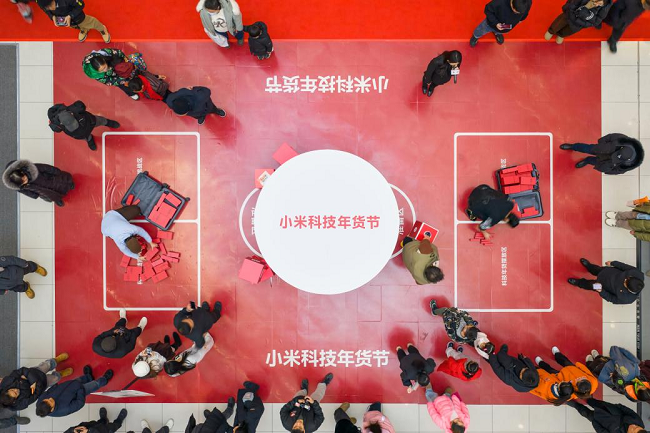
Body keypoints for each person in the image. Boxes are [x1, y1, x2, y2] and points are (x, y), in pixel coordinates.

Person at [0, 354, 71, 411]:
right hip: (42, 383)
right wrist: (26, 378)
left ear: (7, 390)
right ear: (14, 400)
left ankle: (57, 360)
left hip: (35, 372)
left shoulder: (5, 383)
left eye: (12, 390)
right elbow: (36, 395)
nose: (16, 390)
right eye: (16, 393)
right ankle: (61, 374)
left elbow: (22, 370)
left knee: (47, 365)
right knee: (55, 379)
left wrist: (34, 383)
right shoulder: (20, 404)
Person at [35, 365, 113, 417]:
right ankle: (104, 379)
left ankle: (88, 377)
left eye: (47, 400)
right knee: (95, 384)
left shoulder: (40, 403)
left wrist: (56, 386)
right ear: (52, 409)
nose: (50, 398)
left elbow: (47, 392)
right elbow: (80, 403)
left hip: (69, 385)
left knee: (79, 379)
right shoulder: (64, 410)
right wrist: (80, 389)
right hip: (80, 390)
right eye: (51, 402)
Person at [47, 100, 120, 151]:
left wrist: (70, 108)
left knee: (101, 121)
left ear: (71, 114)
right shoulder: (56, 124)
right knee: (86, 137)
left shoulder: (73, 109)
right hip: (81, 135)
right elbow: (55, 129)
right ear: (61, 123)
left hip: (90, 122)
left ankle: (109, 123)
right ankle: (90, 140)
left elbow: (81, 106)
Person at [568, 258, 644, 304]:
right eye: (628, 278)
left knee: (590, 285)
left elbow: (611, 298)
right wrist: (613, 263)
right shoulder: (638, 274)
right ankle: (589, 266)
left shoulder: (627, 299)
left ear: (628, 289)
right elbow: (624, 266)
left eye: (625, 282)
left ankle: (578, 283)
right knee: (596, 269)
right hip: (607, 272)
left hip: (602, 286)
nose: (625, 279)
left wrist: (601, 291)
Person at [3, 159, 74, 207]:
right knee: (51, 195)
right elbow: (26, 192)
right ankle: (57, 199)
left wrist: (56, 171)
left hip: (50, 179)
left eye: (24, 178)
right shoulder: (20, 186)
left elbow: (46, 168)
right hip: (41, 191)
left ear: (22, 172)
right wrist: (33, 195)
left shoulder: (32, 168)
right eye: (23, 182)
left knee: (60, 183)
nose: (25, 181)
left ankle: (69, 184)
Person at [560, 134, 644, 173]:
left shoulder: (629, 165)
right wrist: (602, 142)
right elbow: (611, 137)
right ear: (622, 147)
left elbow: (617, 171)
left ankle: (587, 160)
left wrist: (607, 170)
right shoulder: (624, 140)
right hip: (602, 149)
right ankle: (573, 146)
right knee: (586, 148)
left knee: (593, 161)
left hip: (606, 162)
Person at [35, 0, 109, 43]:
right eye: (48, 7)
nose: (51, 8)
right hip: (67, 21)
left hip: (77, 16)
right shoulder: (40, 2)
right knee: (76, 26)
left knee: (91, 22)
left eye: (51, 4)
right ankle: (84, 29)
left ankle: (102, 29)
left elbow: (81, 4)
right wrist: (52, 16)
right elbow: (45, 10)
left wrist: (70, 16)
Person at [545, 0, 613, 44]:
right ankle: (551, 31)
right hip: (569, 14)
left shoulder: (605, 8)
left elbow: (596, 21)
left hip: (579, 24)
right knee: (558, 23)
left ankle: (561, 35)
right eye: (596, 1)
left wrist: (587, 17)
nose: (596, 4)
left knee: (568, 31)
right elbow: (572, 3)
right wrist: (569, 10)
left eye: (600, 4)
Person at [567, 398, 646, 432]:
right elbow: (629, 411)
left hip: (599, 421)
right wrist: (617, 406)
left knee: (584, 412)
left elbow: (602, 432)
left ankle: (575, 405)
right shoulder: (638, 422)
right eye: (637, 427)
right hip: (608, 408)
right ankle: (584, 396)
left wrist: (595, 422)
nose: (633, 426)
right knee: (592, 401)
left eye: (633, 430)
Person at [64, 407, 128, 433]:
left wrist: (73, 430)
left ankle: (103, 420)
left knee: (95, 424)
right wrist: (89, 431)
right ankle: (118, 422)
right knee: (111, 427)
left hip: (86, 428)